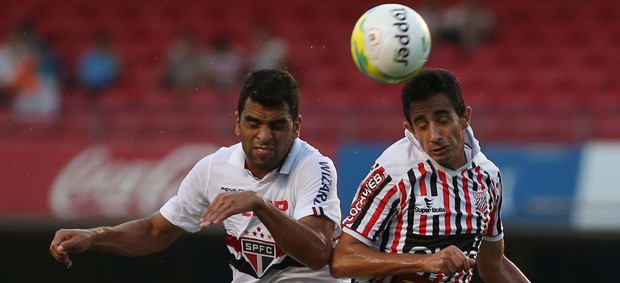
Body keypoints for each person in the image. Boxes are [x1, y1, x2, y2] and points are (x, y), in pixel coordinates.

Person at [50, 69, 343, 282]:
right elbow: (154, 232)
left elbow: (318, 252)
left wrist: (259, 204)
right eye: (253, 123)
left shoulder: (314, 167)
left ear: (296, 127)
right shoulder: (214, 168)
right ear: (238, 123)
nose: (264, 136)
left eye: (277, 125)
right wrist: (93, 237)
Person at [330, 69, 530, 283]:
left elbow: (494, 265)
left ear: (465, 117)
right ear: (411, 129)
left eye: (443, 120)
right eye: (422, 126)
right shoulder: (394, 171)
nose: (434, 136)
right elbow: (342, 260)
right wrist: (423, 261)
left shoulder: (488, 177)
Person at [77, 30, 120, 137]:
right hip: (90, 88)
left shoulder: (112, 57)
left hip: (106, 87)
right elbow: (83, 73)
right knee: (94, 102)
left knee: (100, 102)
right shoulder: (88, 57)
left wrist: (103, 83)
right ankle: (94, 128)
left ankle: (100, 129)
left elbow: (115, 74)